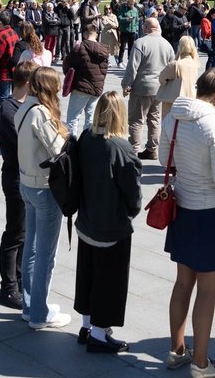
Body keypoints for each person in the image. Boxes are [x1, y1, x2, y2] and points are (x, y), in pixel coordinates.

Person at [161, 68, 215, 378]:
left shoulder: (174, 117)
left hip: (183, 205)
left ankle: (177, 350)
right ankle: (202, 363)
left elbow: (164, 159)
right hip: (211, 210)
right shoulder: (214, 125)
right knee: (207, 291)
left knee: (182, 283)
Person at [72, 91, 141, 354]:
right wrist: (131, 213)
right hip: (111, 225)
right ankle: (100, 334)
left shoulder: (86, 138)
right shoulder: (120, 148)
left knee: (87, 274)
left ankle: (87, 326)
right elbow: (132, 193)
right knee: (109, 279)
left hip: (87, 220)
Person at [15, 67, 72, 329]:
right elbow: (59, 150)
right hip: (43, 187)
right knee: (45, 255)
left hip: (27, 182)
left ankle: (31, 306)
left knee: (32, 249)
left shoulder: (24, 108)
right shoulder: (41, 113)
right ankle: (39, 312)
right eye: (57, 84)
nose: (60, 88)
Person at [0, 61, 38, 310]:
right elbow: (26, 144)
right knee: (15, 233)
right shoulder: (9, 109)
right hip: (16, 178)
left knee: (24, 234)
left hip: (25, 176)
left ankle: (19, 280)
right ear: (29, 83)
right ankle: (8, 287)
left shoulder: (23, 106)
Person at [122, 18, 175, 160]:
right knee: (155, 120)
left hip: (141, 87)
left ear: (146, 27)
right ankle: (152, 149)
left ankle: (133, 150)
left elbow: (132, 67)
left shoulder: (140, 43)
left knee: (136, 120)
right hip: (159, 88)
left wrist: (126, 84)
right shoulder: (167, 45)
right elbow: (171, 67)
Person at [63, 24, 110, 139]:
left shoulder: (80, 47)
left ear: (84, 34)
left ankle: (71, 146)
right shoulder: (104, 50)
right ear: (97, 35)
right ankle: (87, 144)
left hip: (81, 87)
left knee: (72, 119)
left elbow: (67, 65)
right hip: (96, 89)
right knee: (90, 120)